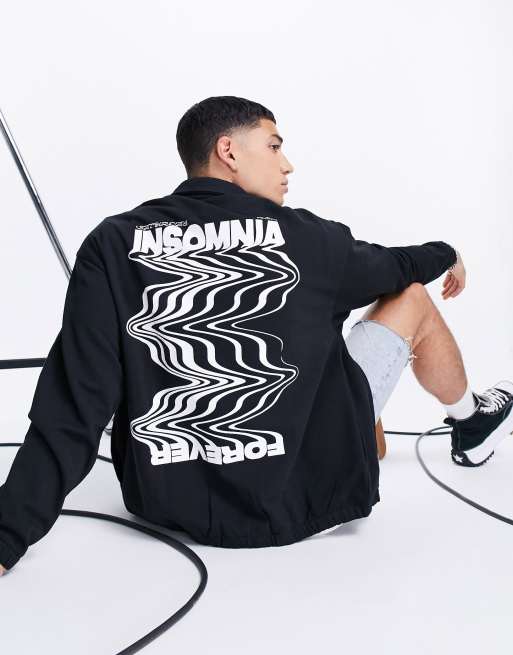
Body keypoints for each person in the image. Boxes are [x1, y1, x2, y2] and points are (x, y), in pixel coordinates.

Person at [2, 95, 512, 576]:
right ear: (228, 151)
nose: (287, 165)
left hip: (165, 504)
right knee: (411, 297)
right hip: (304, 502)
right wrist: (446, 252)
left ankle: (376, 430)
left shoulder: (113, 242)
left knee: (309, 326)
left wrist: (6, 536)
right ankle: (471, 422)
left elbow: (76, 401)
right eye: (273, 145)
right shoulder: (308, 237)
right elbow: (397, 267)